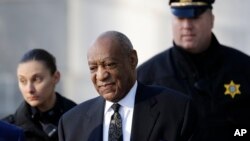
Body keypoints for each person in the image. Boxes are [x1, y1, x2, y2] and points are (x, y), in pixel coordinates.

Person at [137, 0, 250, 140]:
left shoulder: (244, 68)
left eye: (194, 17)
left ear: (212, 20)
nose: (187, 26)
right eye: (180, 18)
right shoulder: (146, 79)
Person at [58, 30, 197, 141]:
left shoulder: (176, 110)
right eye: (93, 68)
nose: (101, 75)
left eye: (109, 64)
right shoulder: (71, 124)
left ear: (132, 60)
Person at [2, 49, 77, 141]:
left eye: (37, 79)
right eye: (23, 81)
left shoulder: (80, 118)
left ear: (56, 77)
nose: (29, 89)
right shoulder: (8, 132)